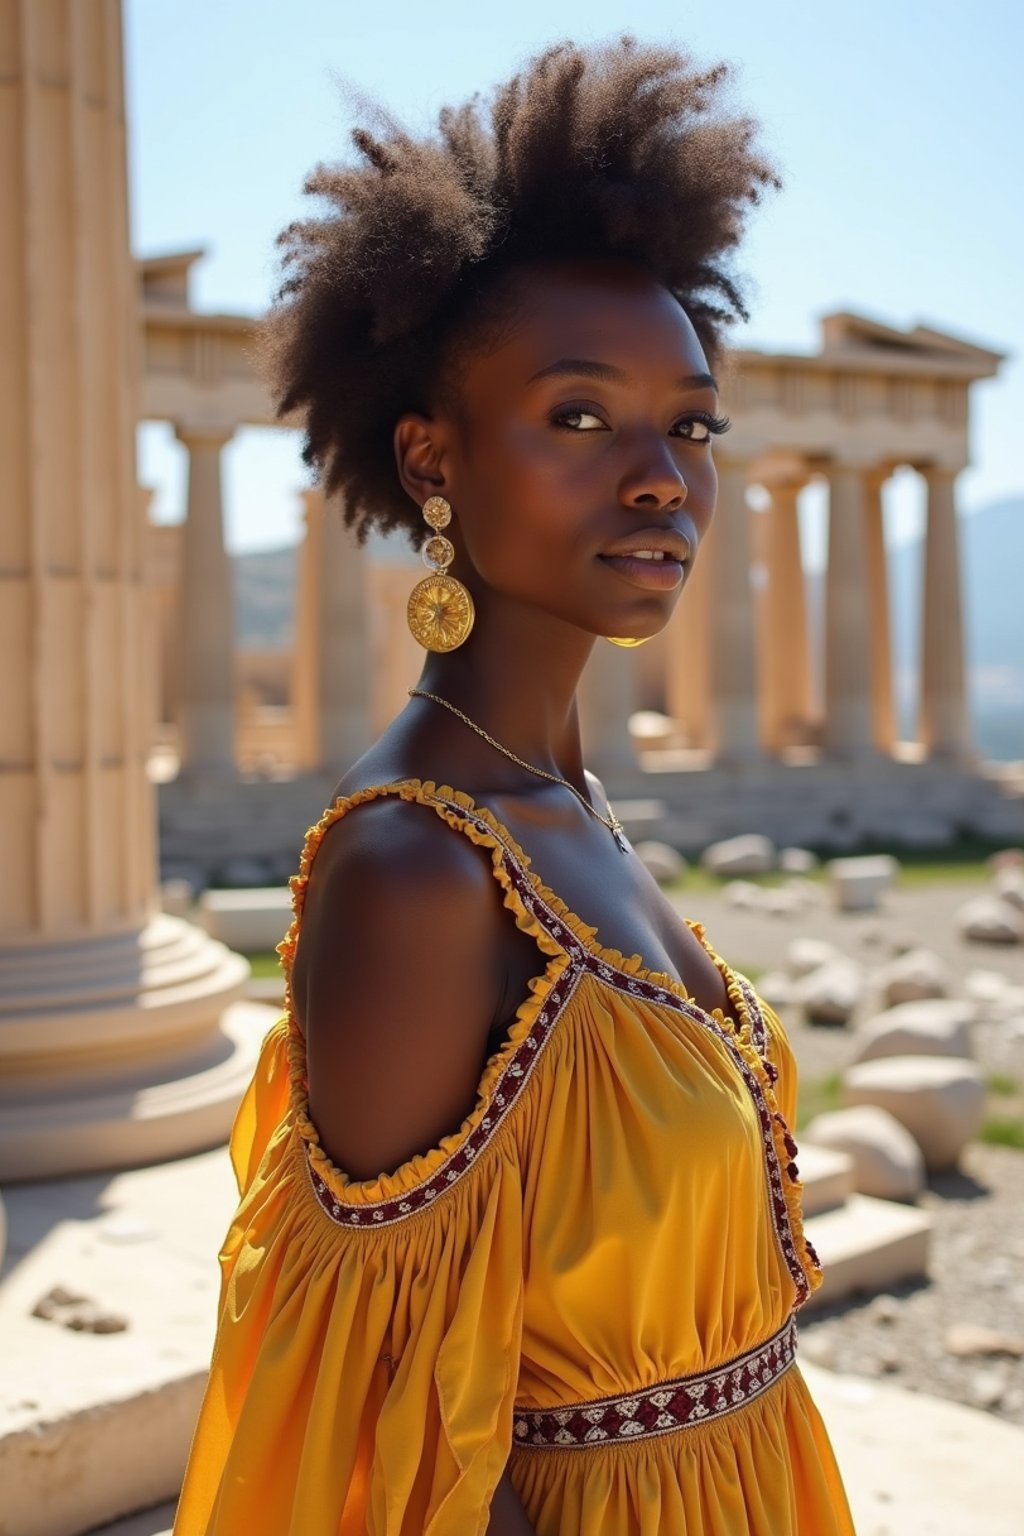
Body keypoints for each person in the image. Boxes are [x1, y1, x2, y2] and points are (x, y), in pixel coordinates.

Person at [173, 38, 855, 1536]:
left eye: (691, 423)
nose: (664, 475)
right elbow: (383, 1445)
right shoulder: (417, 868)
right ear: (432, 458)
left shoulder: (571, 807)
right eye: (579, 415)